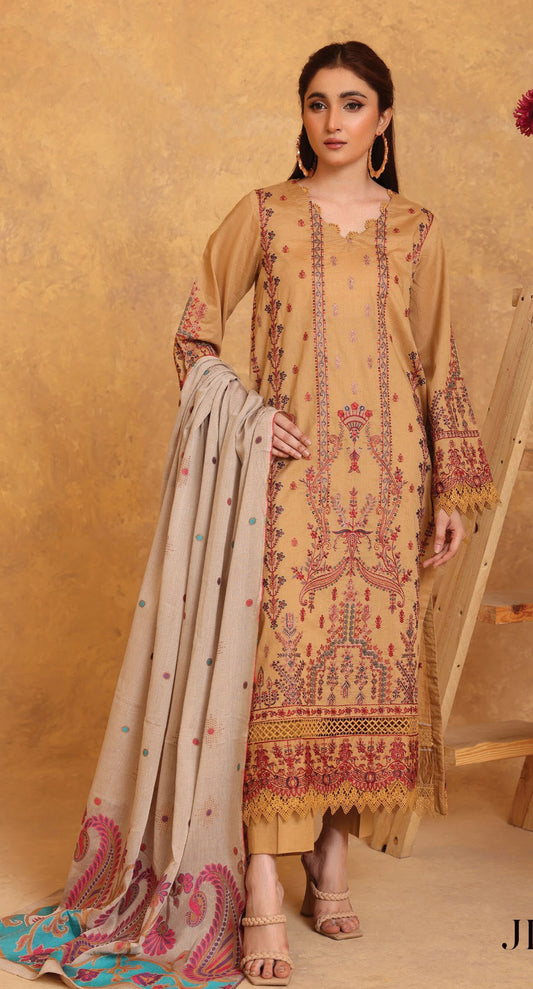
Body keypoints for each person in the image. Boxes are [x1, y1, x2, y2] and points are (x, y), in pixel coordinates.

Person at [0, 40, 498, 989]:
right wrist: (249, 416)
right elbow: (194, 333)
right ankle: (262, 886)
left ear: (384, 121)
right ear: (302, 115)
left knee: (368, 678)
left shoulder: (419, 231)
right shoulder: (262, 217)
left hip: (391, 489)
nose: (334, 120)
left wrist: (452, 496)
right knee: (277, 682)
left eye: (353, 103)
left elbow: (442, 368)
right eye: (317, 103)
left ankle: (334, 858)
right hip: (289, 489)